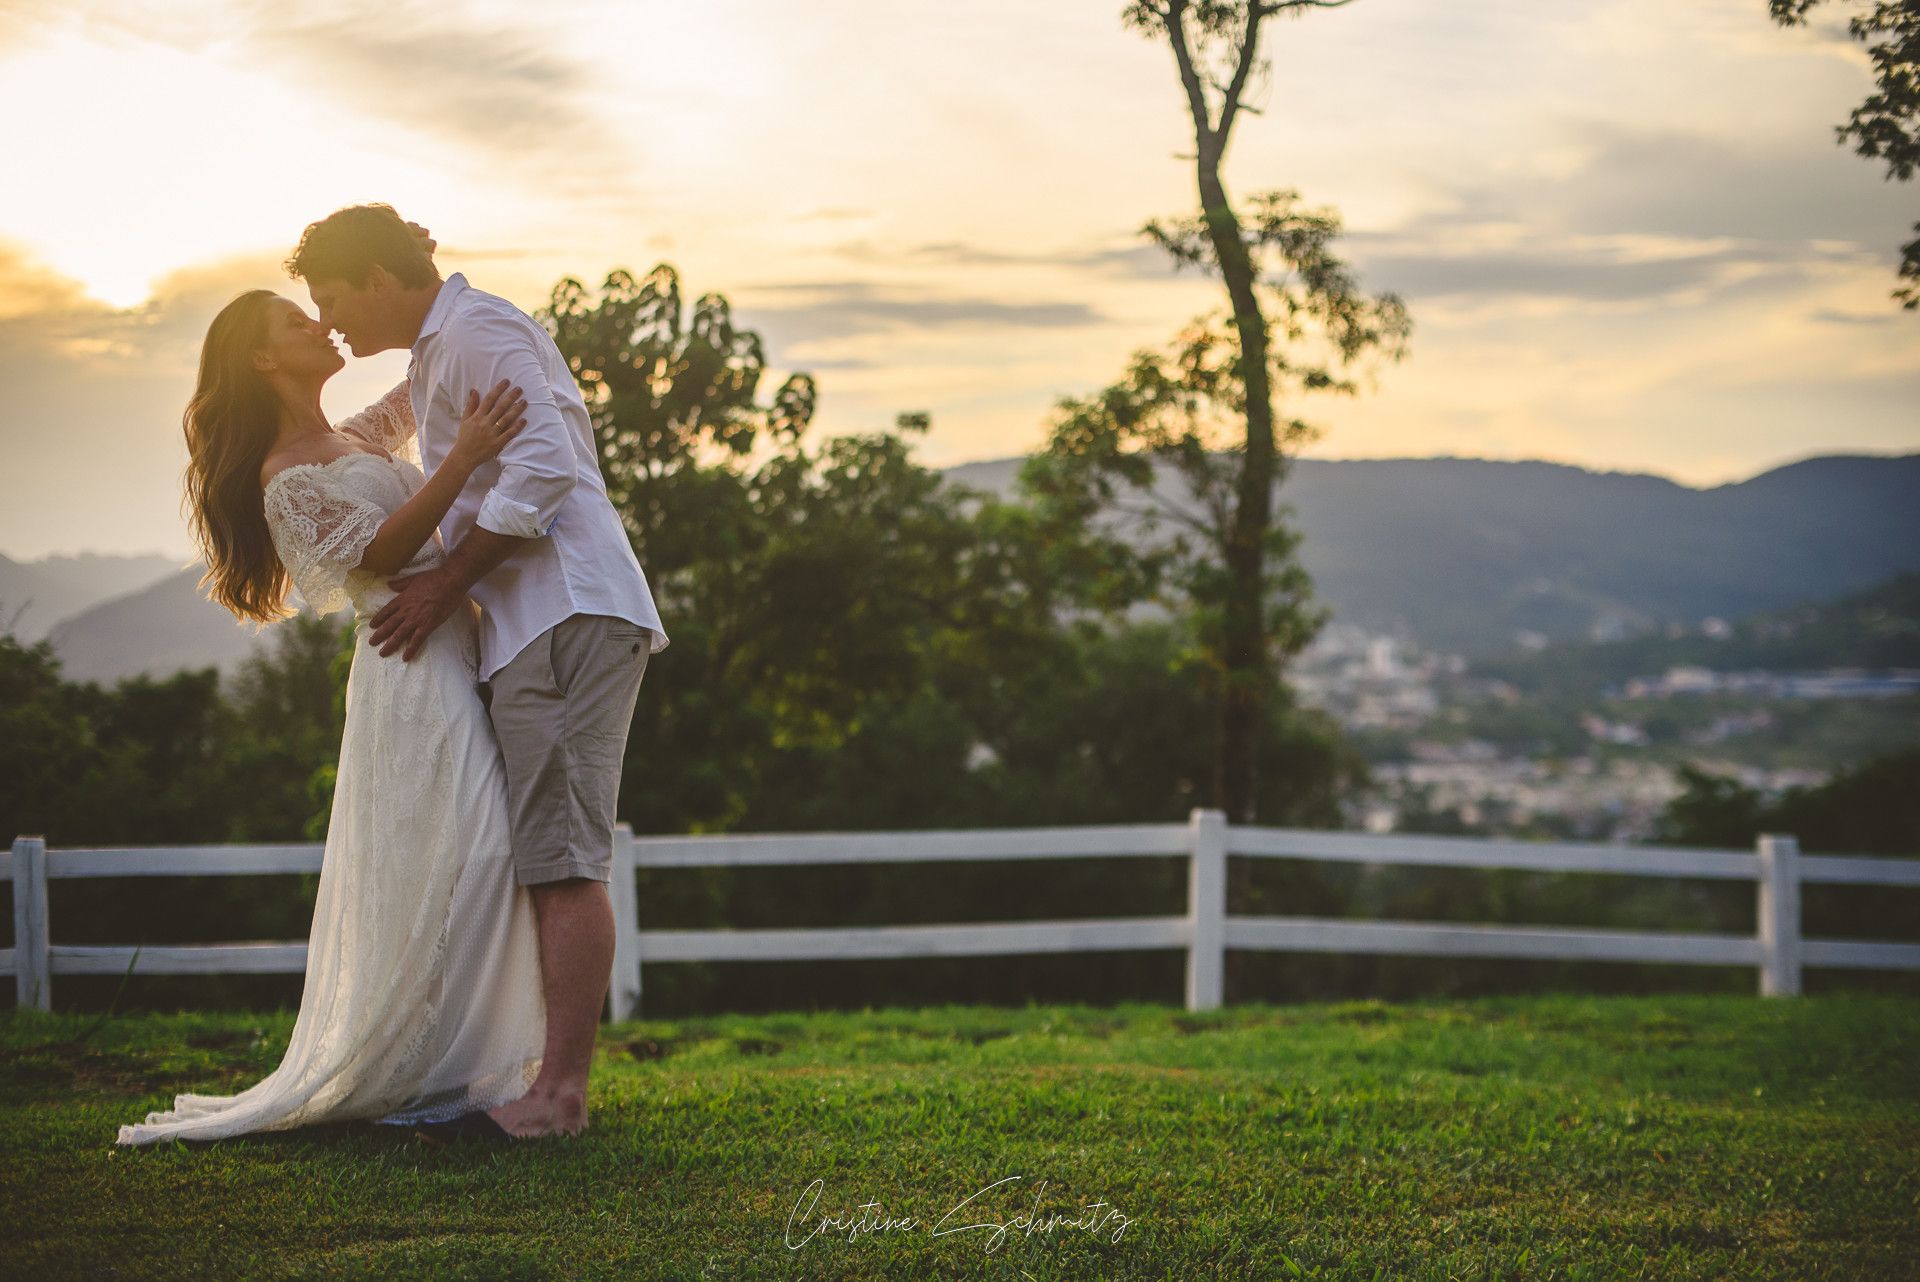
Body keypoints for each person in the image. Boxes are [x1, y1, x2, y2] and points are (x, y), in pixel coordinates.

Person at [116, 284, 545, 1146]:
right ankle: (441, 1065)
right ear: (264, 360)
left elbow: (423, 372)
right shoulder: (286, 477)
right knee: (478, 849)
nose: (319, 325)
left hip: (460, 647)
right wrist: (460, 461)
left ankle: (467, 1067)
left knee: (481, 851)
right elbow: (381, 553)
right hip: (410, 671)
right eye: (294, 321)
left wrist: (430, 280)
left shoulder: (352, 436)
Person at [286, 204, 669, 1140]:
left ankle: (560, 1098)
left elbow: (543, 468)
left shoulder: (475, 329)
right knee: (542, 848)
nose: (331, 322)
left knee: (562, 855)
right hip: (533, 624)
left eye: (334, 298)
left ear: (377, 279)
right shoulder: (436, 351)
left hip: (568, 609)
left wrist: (448, 581)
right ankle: (537, 1079)